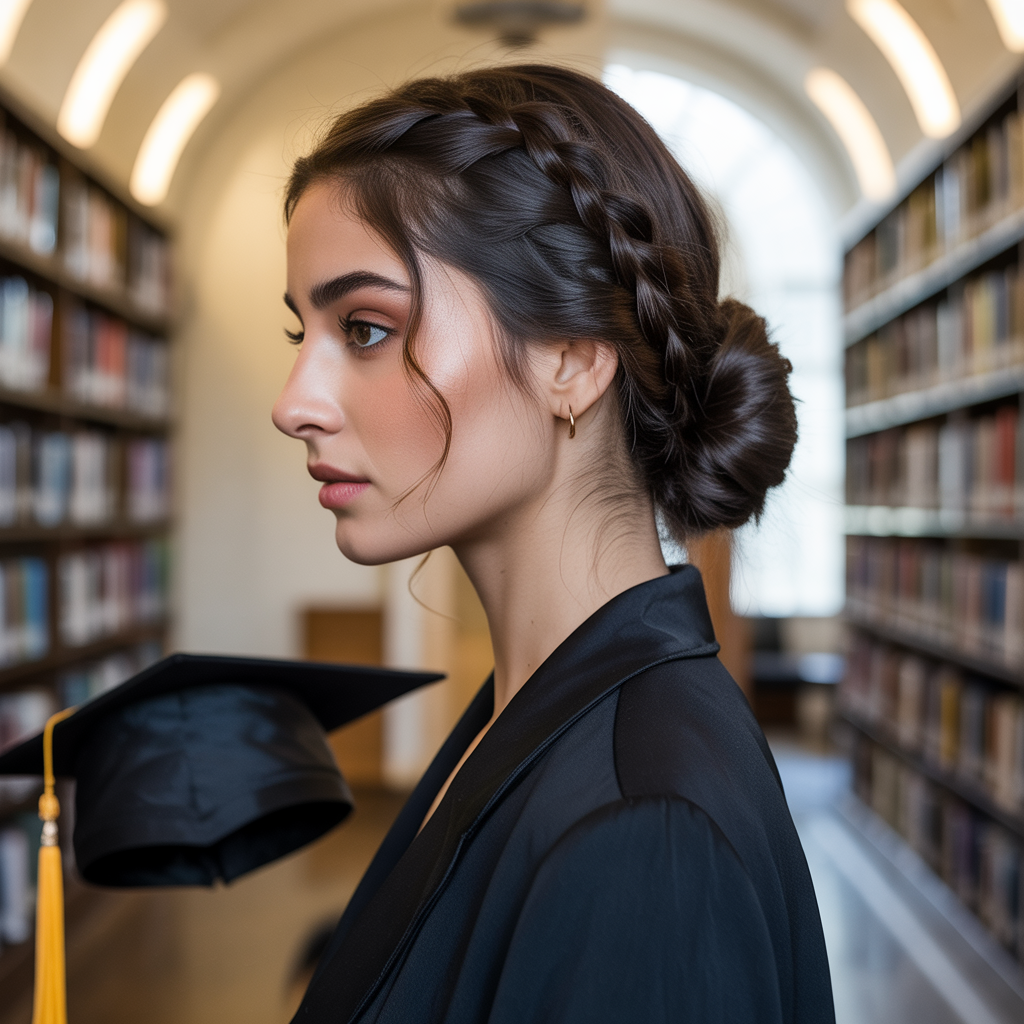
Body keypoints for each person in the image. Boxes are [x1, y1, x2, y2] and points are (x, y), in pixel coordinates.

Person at [272, 63, 833, 1024]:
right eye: (302, 333)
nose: (293, 406)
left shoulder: (646, 836)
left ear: (572, 359)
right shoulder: (531, 714)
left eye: (364, 328)